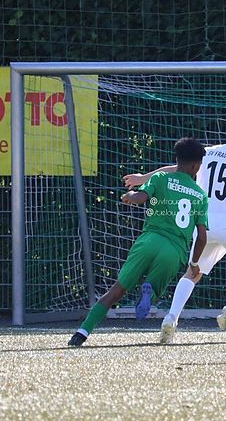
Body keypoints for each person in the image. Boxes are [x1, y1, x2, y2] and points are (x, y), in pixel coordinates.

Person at [124, 117, 226, 343]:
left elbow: (176, 169)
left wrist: (143, 178)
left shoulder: (210, 152)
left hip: (205, 224)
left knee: (193, 272)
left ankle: (171, 318)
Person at [68, 137, 208, 346]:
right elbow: (202, 237)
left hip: (149, 241)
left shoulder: (161, 178)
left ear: (177, 159)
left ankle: (81, 333)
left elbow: (140, 198)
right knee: (154, 290)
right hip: (174, 250)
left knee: (116, 290)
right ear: (196, 166)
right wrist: (194, 263)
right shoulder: (200, 195)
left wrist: (130, 195)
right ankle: (149, 290)